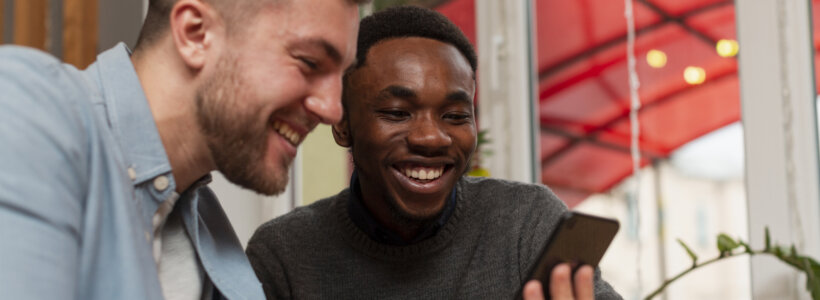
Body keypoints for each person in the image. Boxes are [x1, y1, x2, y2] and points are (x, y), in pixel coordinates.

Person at [246, 6, 621, 300]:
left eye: (456, 115)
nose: (431, 138)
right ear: (342, 123)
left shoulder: (526, 223)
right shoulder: (284, 256)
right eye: (396, 112)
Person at [0, 0, 367, 298]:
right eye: (309, 62)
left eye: (340, 78)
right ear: (196, 34)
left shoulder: (212, 242)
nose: (333, 109)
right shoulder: (27, 109)